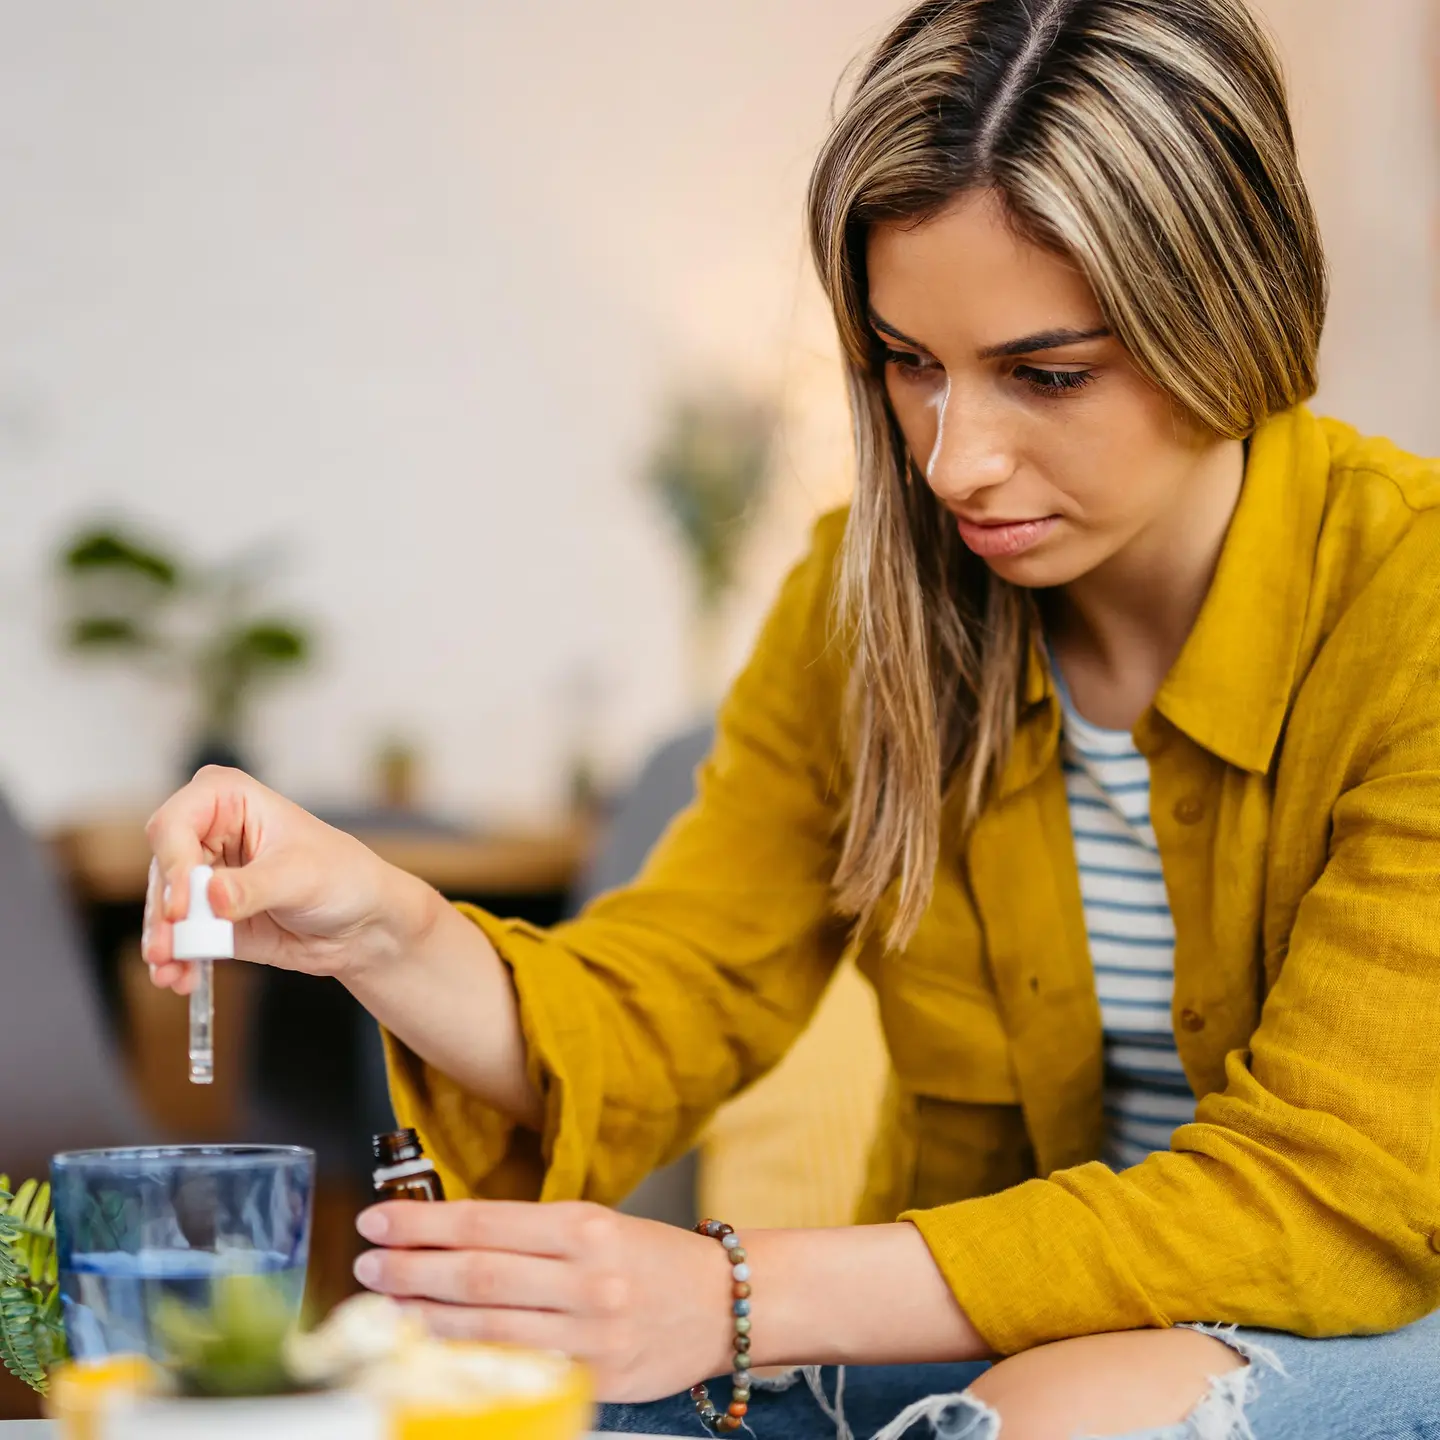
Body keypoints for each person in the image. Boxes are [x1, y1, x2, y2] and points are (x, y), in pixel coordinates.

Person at [141, 0, 1440, 1435]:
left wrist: (734, 1293)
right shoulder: (866, 605)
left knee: (1059, 1412)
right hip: (1000, 1351)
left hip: (1380, 1326)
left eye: (1047, 374)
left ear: (1234, 317)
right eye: (908, 361)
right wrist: (386, 928)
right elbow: (672, 1001)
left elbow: (1330, 1194)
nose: (955, 460)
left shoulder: (1415, 608)